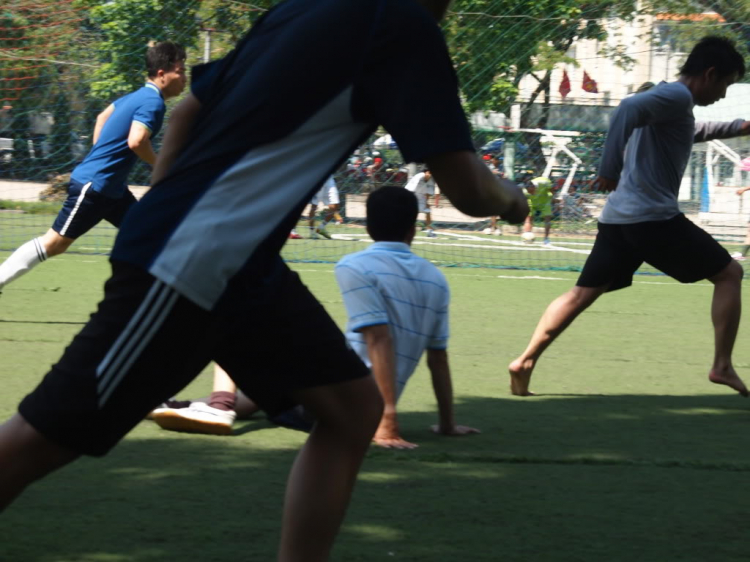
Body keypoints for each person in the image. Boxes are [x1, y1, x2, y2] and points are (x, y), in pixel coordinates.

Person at [0, 1, 527, 559]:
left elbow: (186, 115)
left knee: (352, 409)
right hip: (197, 256)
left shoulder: (300, 9)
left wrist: (173, 201)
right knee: (47, 435)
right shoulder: (402, 25)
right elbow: (469, 189)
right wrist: (512, 201)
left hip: (242, 265)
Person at [508, 36, 750, 398]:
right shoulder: (677, 97)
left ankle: (524, 361)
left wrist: (741, 126)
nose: (722, 95)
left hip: (619, 218)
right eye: (725, 85)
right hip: (652, 219)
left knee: (581, 294)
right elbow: (625, 108)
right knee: (730, 273)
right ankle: (722, 365)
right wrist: (608, 168)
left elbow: (692, 132)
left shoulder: (674, 107)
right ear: (710, 73)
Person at [0, 42, 187, 294]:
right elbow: (136, 140)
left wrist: (102, 156)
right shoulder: (153, 103)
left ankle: (161, 296)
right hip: (96, 187)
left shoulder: (136, 96)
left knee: (150, 232)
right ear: (162, 73)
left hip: (112, 190)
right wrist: (160, 165)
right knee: (54, 243)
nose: (184, 77)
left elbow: (102, 117)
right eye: (181, 70)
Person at [337, 186, 479, 449]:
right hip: (356, 402)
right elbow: (438, 357)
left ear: (368, 227)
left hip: (338, 399)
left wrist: (387, 419)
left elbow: (378, 338)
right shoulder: (436, 279)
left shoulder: (353, 266)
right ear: (412, 229)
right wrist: (447, 423)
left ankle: (233, 400)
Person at [404, 167, 437, 237]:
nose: (430, 175)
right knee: (409, 214)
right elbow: (411, 190)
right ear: (426, 172)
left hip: (421, 198)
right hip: (410, 196)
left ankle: (430, 232)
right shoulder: (419, 176)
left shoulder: (431, 179)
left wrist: (426, 202)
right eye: (430, 173)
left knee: (428, 211)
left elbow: (428, 193)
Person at [522, 175, 554, 245]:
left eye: (531, 191)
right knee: (528, 217)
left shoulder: (544, 181)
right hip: (532, 202)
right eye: (529, 192)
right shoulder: (524, 191)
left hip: (545, 201)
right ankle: (526, 236)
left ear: (533, 187)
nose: (530, 193)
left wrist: (552, 197)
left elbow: (551, 188)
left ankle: (546, 239)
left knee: (547, 218)